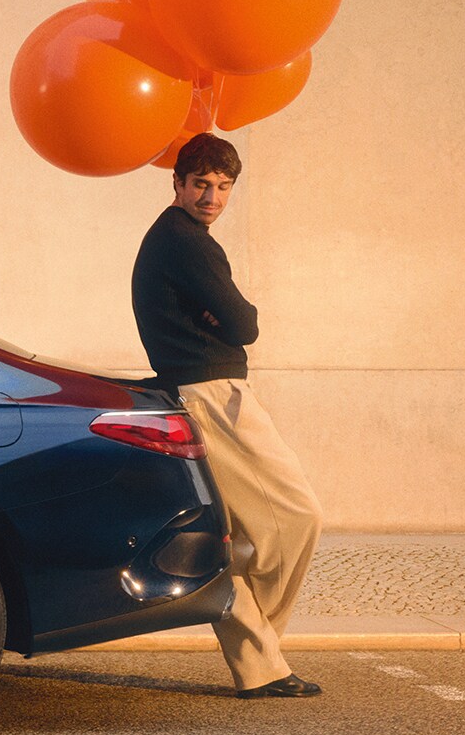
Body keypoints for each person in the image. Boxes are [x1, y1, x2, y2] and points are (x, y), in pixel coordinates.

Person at [130, 133, 324, 699]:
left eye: (223, 187)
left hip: (204, 390)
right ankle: (246, 622)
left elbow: (231, 319)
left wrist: (225, 316)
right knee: (298, 516)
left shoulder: (177, 239)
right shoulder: (186, 242)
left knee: (241, 531)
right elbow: (245, 326)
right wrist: (230, 317)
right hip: (213, 396)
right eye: (201, 185)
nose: (212, 197)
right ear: (178, 184)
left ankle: (260, 659)